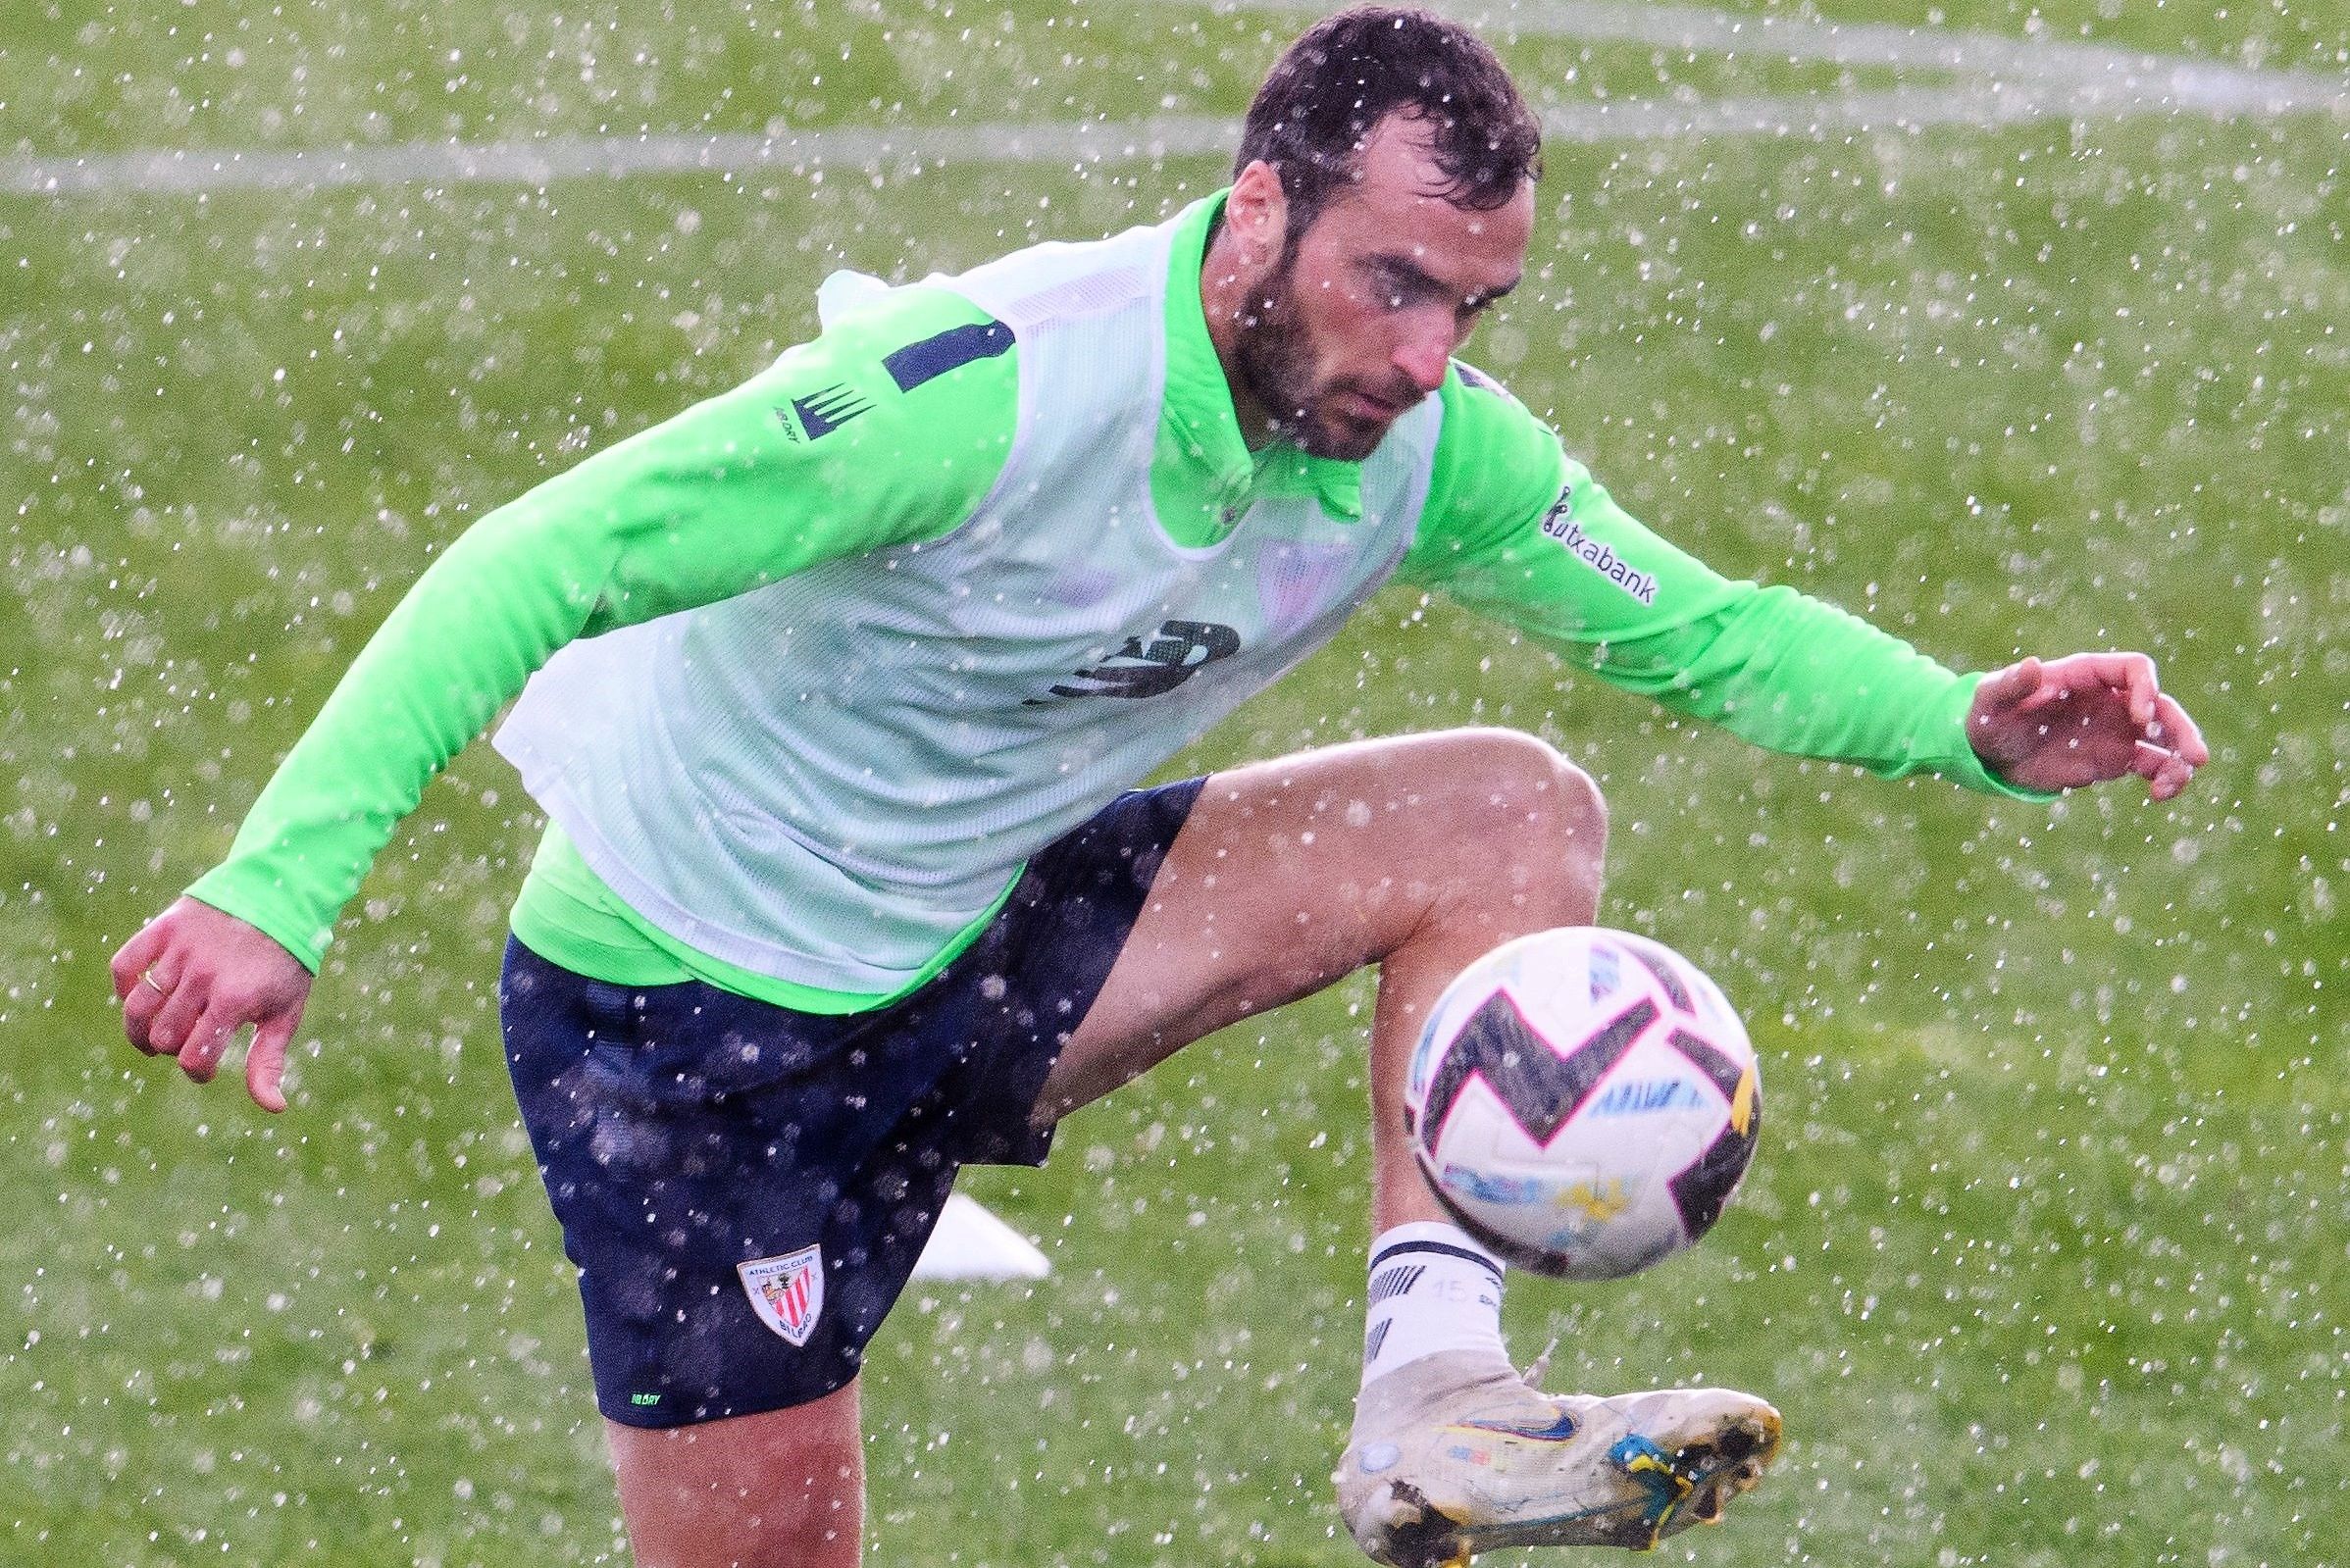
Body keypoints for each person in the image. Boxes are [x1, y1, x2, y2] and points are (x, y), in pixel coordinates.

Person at [110, 8, 2206, 1566]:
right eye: (1393, 281)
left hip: (994, 927)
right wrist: (276, 893)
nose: (1425, 356)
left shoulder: (1420, 449)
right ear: (1259, 205)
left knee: (1505, 809)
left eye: (1475, 303)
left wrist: (1958, 720)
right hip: (697, 1032)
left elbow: (1705, 623)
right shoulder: (986, 394)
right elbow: (541, 551)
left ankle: (1428, 1400)